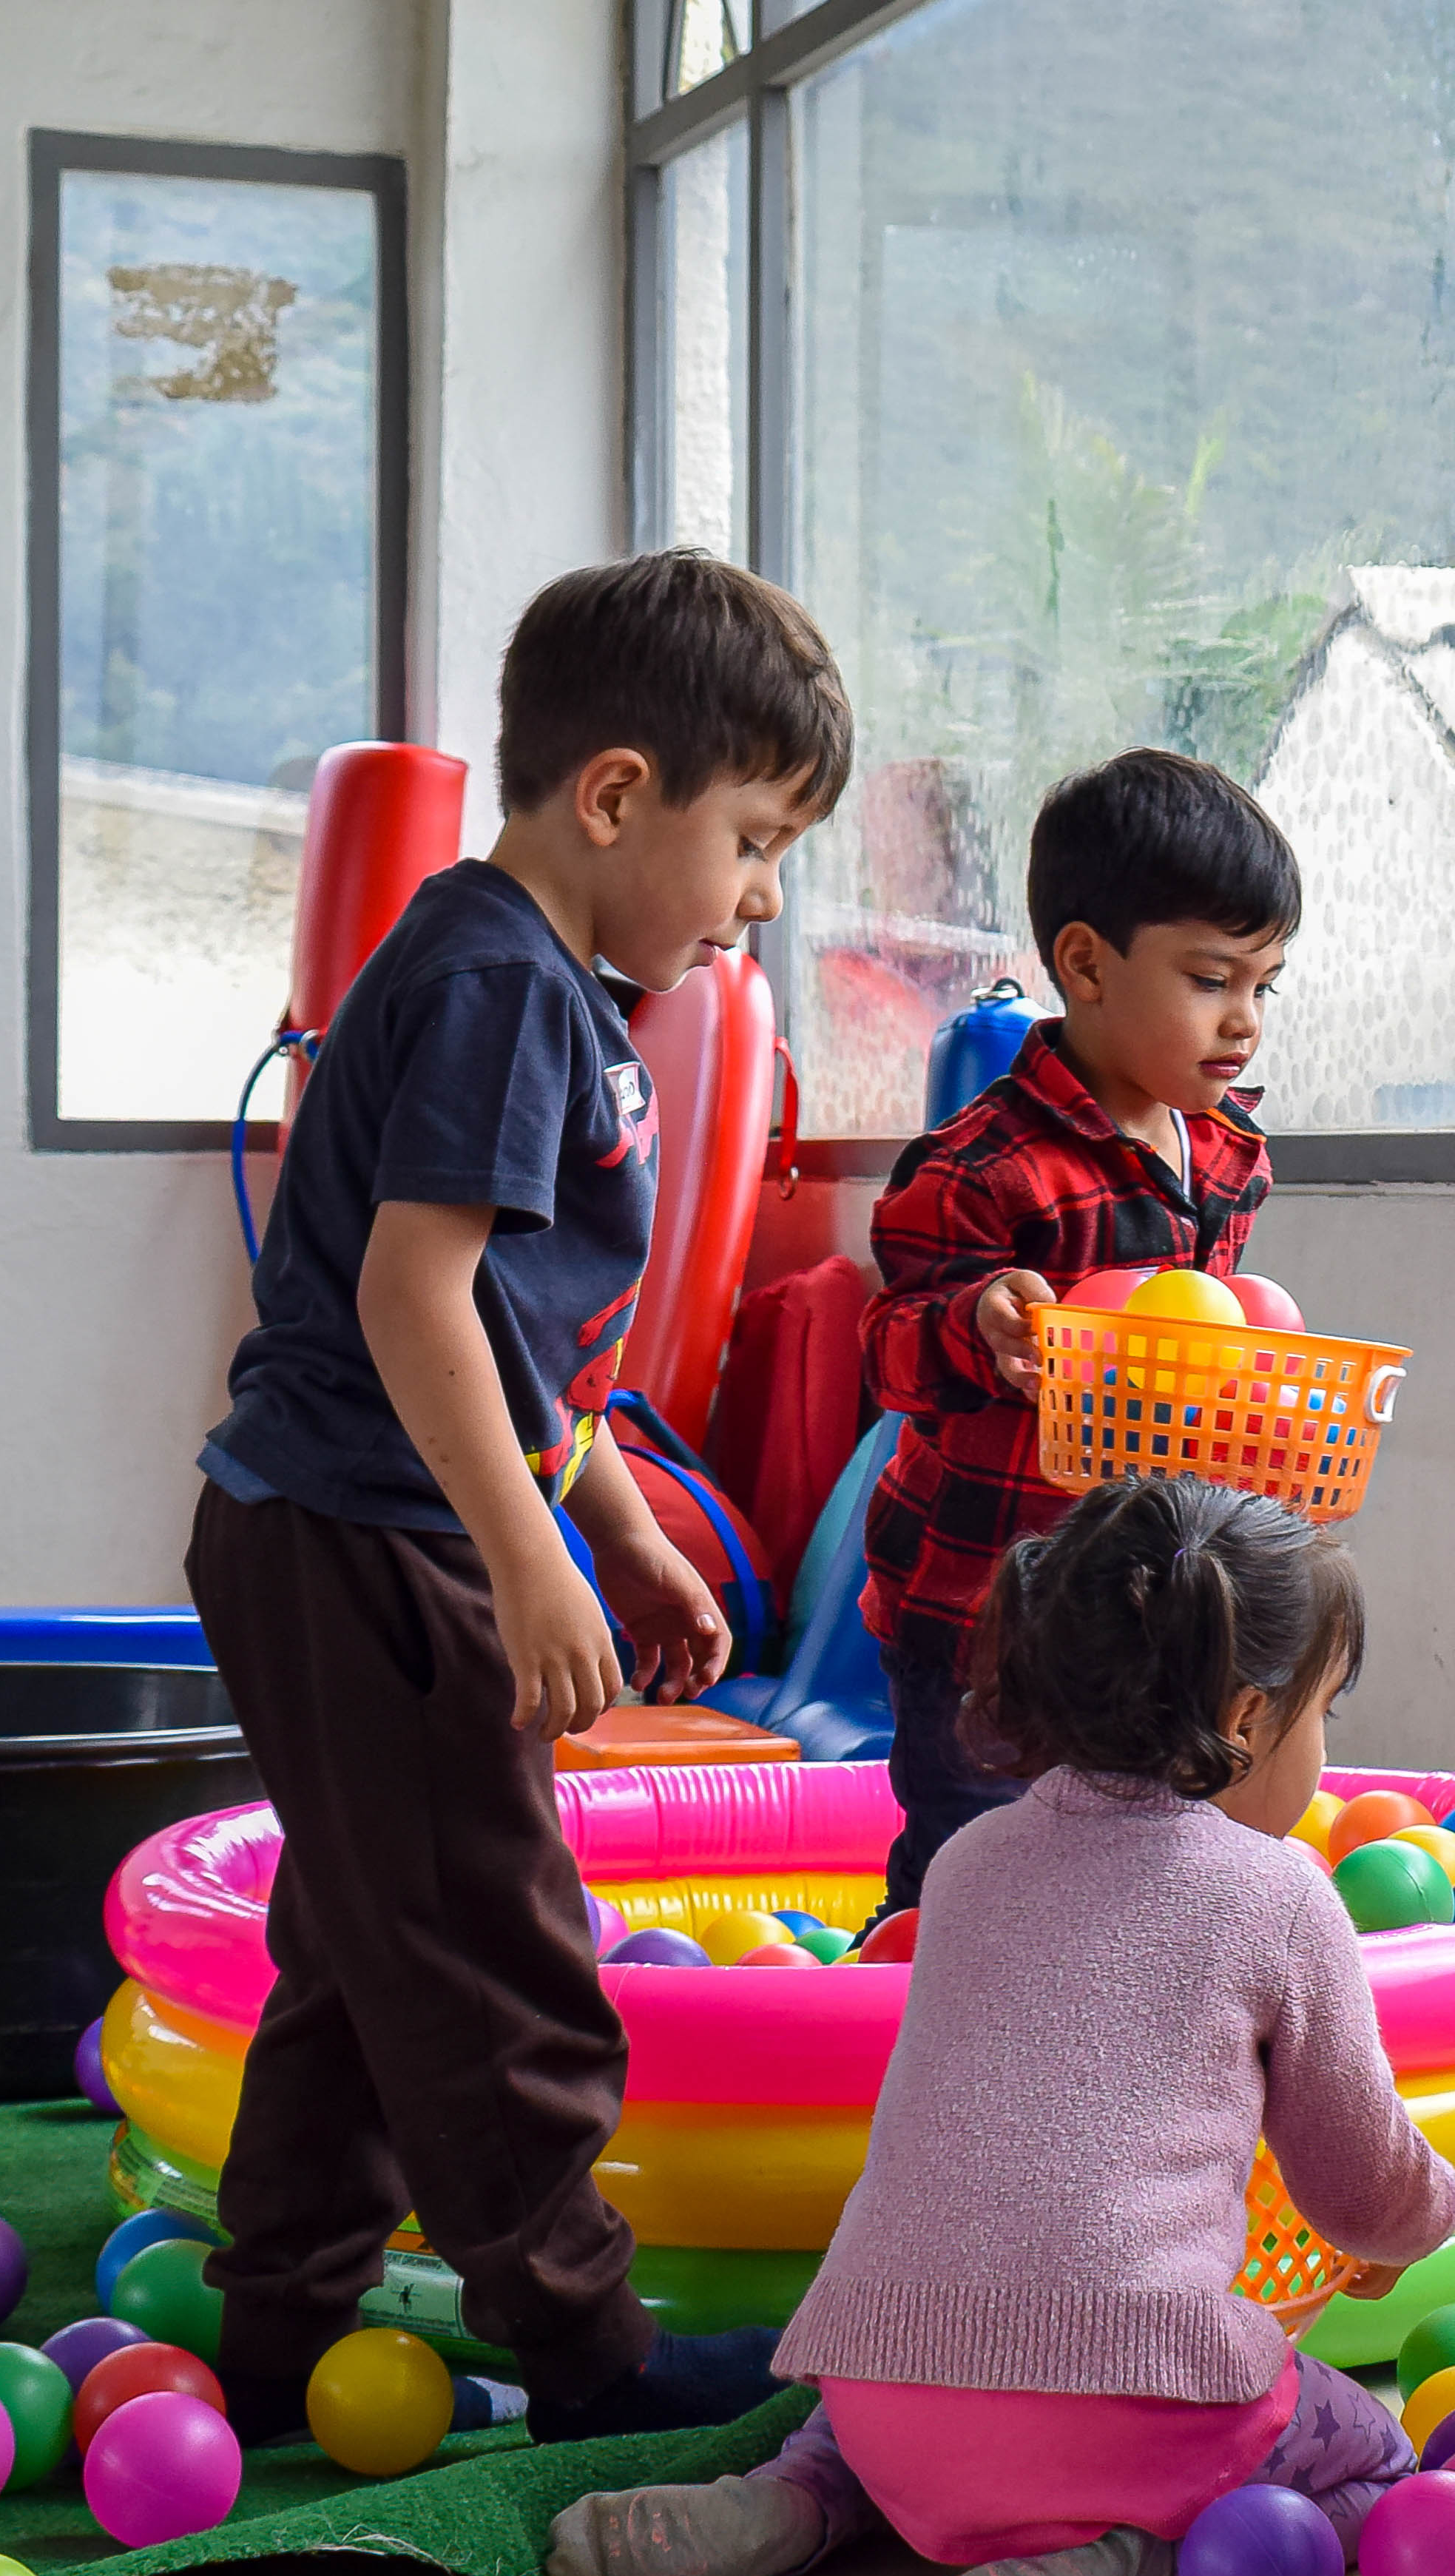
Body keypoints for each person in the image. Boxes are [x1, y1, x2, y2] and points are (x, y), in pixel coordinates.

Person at [186, 549, 853, 2449]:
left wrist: (618, 1522)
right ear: (618, 795)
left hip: (350, 1522)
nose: (762, 896)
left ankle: (276, 2330)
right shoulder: (497, 981)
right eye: (752, 840)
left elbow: (509, 1326)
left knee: (363, 1941)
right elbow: (408, 1296)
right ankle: (587, 2347)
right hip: (361, 1531)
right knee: (489, 1938)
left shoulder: (550, 981)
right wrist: (521, 1559)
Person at [542, 1473, 1455, 2576]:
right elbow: (1360, 2182)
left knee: (916, 2364)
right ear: (1242, 1714)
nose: (1327, 1752)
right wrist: (1415, 2221)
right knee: (1373, 2464)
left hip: (882, 2396)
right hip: (1127, 2412)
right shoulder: (1280, 1893)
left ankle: (801, 2494)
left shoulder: (968, 1863)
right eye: (1324, 1711)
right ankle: (1136, 2559)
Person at [856, 749, 1296, 1922]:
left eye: (1266, 983)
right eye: (1211, 979)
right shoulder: (987, 1166)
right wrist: (971, 1322)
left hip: (1144, 1610)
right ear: (1086, 964)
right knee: (971, 1866)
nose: (1244, 1020)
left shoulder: (1229, 1155)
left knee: (1128, 1876)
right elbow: (885, 1348)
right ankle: (889, 2038)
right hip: (985, 1613)